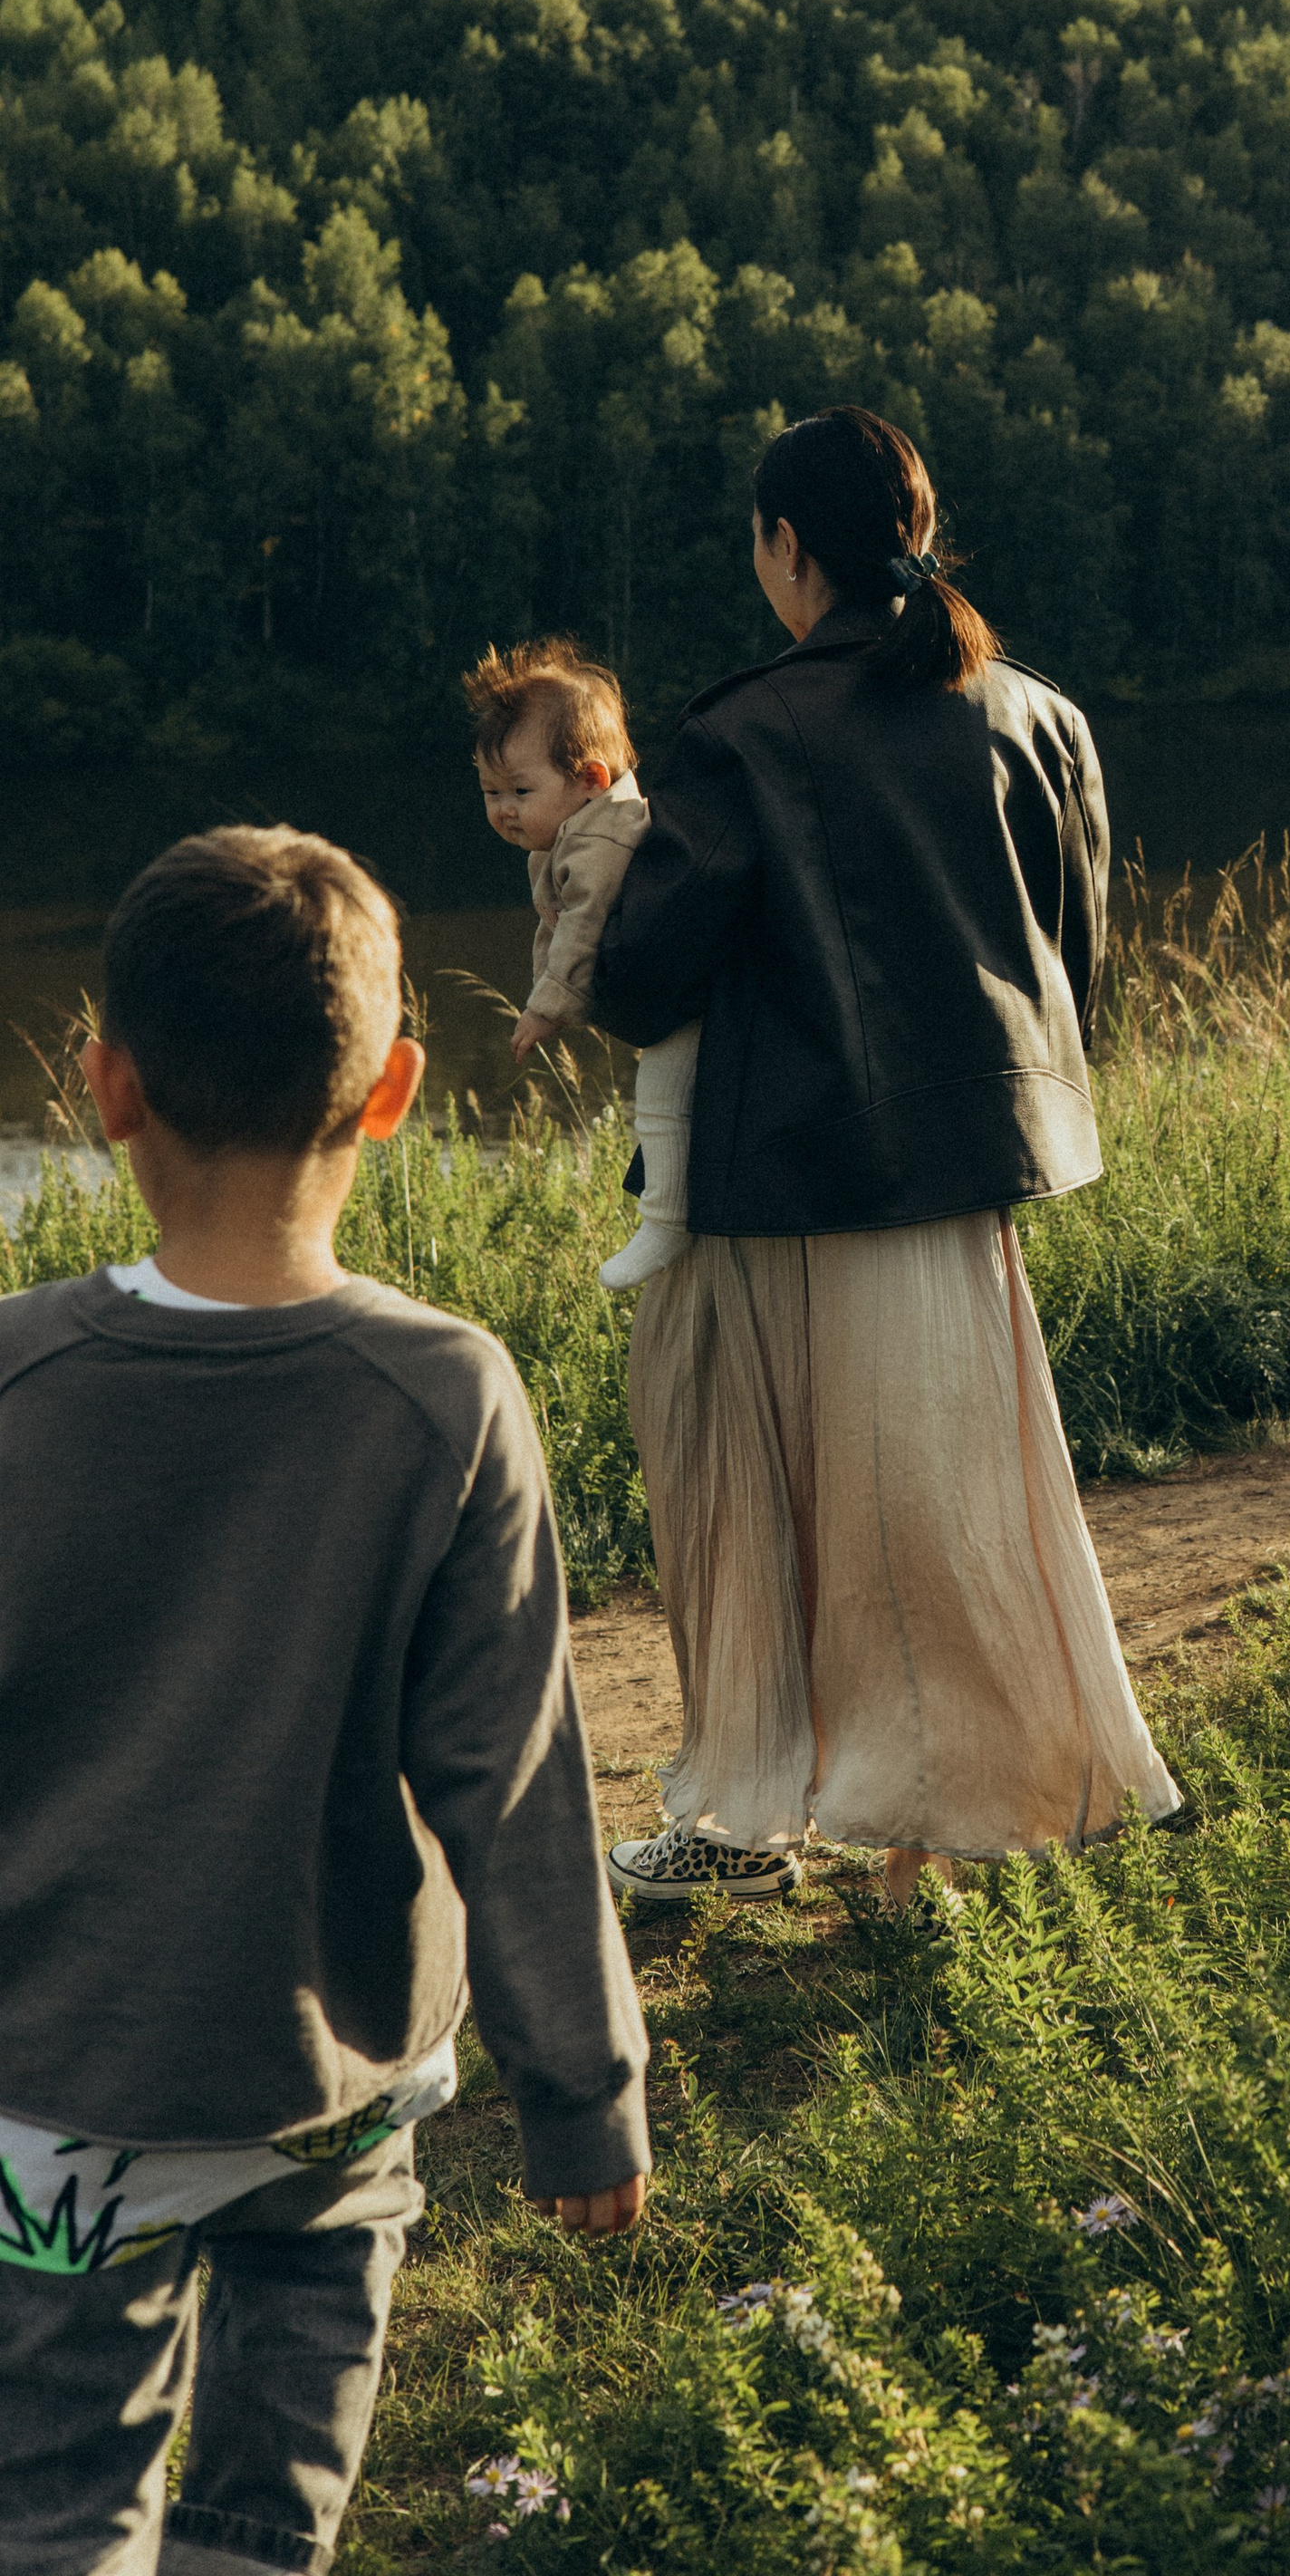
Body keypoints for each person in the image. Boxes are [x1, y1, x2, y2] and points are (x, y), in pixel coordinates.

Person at [0, 825, 650, 2575]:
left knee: (53, 2503)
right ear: (396, 1093)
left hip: (60, 2097)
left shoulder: (14, 1380)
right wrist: (582, 2091)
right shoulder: (443, 1393)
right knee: (266, 2515)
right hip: (335, 2093)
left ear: (104, 1085)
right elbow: (513, 1780)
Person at [592, 403, 1180, 1907]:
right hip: (966, 1180)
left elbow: (638, 987)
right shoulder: (1038, 716)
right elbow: (1075, 953)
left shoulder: (741, 733)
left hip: (779, 1189)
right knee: (950, 1509)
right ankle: (986, 1815)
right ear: (916, 539)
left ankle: (743, 1820)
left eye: (761, 542)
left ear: (787, 549)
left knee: (744, 1503)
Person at [464, 639, 698, 1293]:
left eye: (519, 789)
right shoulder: (571, 827)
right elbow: (558, 930)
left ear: (591, 779)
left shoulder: (600, 837)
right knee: (663, 1091)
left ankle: (665, 1220)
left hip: (694, 994)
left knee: (661, 1095)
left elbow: (585, 925)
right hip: (667, 984)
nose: (502, 809)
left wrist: (545, 1007)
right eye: (490, 791)